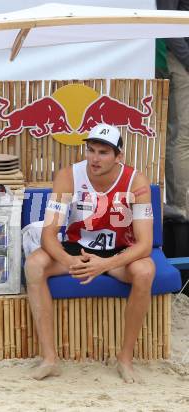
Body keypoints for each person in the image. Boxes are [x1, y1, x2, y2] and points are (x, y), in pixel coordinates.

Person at [25, 124, 155, 383]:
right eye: (91, 150)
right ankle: (50, 359)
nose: (94, 158)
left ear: (119, 156)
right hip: (78, 249)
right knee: (34, 265)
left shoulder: (136, 181)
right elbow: (48, 235)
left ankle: (125, 359)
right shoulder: (68, 176)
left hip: (118, 252)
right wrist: (69, 260)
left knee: (146, 270)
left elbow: (145, 244)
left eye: (103, 152)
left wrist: (105, 264)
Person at [156, 0, 189, 222]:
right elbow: (166, 19)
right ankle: (181, 208)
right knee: (182, 134)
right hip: (177, 60)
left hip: (180, 58)